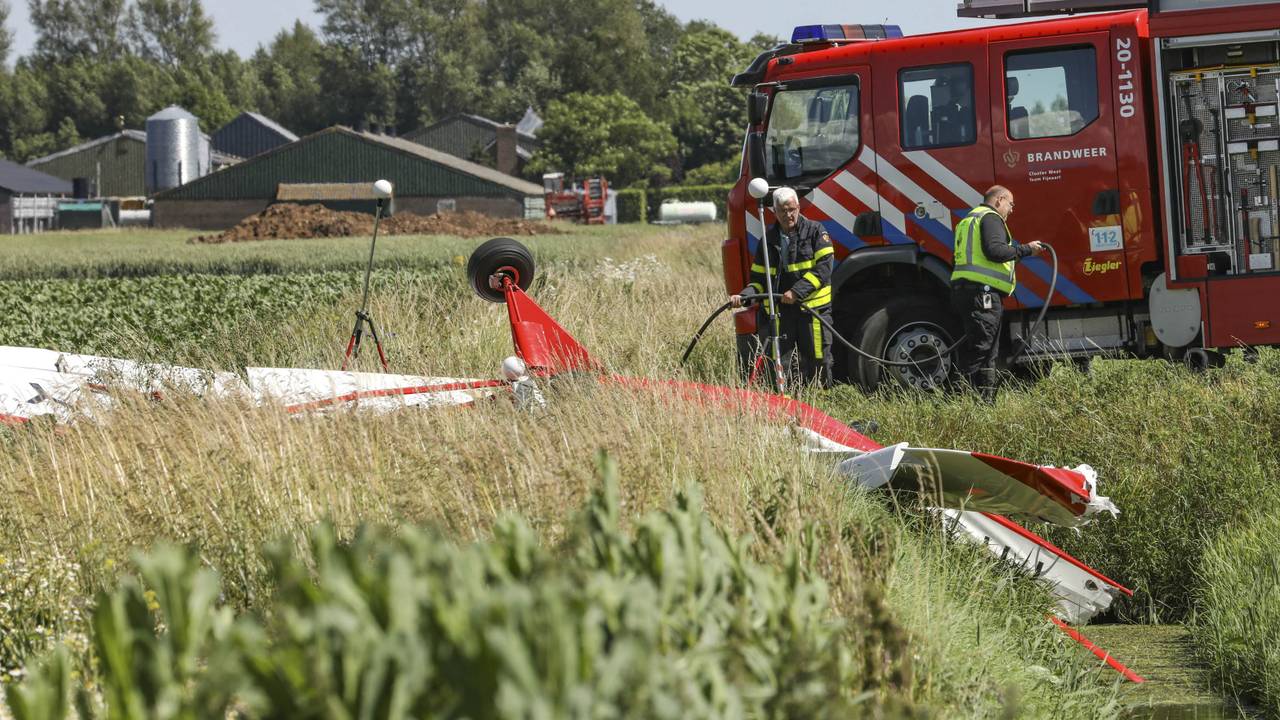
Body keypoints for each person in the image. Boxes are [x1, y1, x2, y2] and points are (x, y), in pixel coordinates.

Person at [730, 187, 835, 388]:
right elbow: (759, 279)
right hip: (781, 314)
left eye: (792, 209)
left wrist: (796, 292)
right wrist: (744, 296)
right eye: (783, 211)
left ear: (798, 207)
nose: (788, 215)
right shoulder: (768, 241)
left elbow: (823, 270)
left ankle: (821, 406)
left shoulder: (816, 231)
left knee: (818, 361)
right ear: (775, 212)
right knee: (780, 364)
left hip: (811, 312)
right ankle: (786, 404)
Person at [950, 185, 1045, 402]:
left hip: (966, 292)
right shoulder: (991, 218)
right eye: (1011, 204)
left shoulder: (968, 221)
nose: (1011, 210)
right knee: (982, 350)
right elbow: (995, 251)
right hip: (982, 295)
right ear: (999, 200)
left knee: (985, 350)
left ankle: (985, 402)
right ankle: (965, 402)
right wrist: (1026, 249)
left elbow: (963, 259)